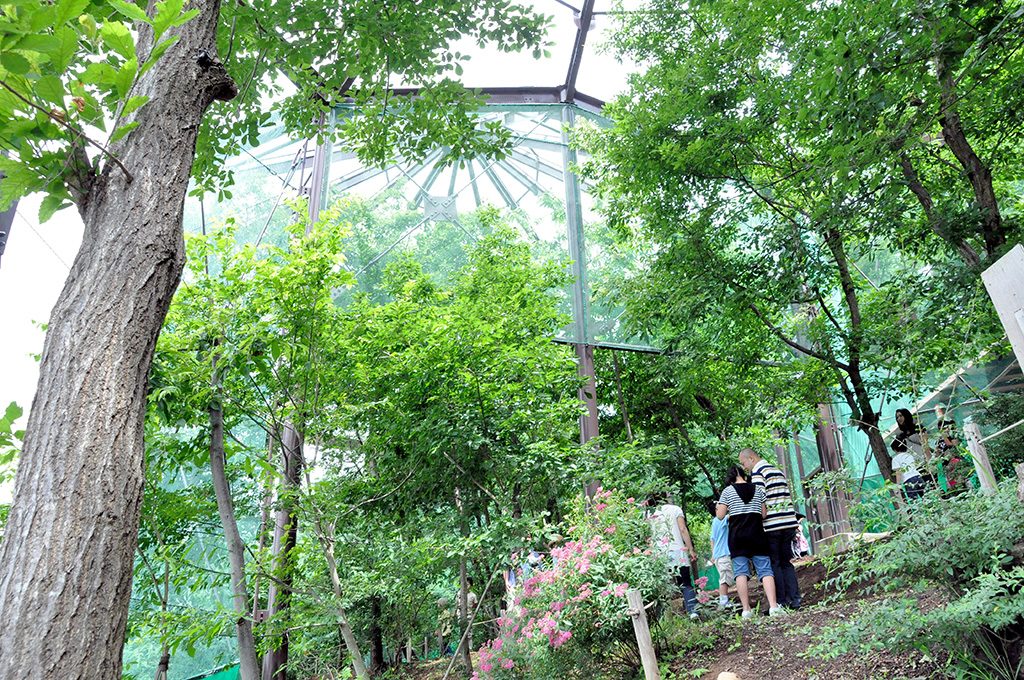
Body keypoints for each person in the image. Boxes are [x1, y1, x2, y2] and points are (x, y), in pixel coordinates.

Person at [716, 466, 784, 618]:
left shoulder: (727, 491)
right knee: (765, 570)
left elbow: (720, 516)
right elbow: (764, 514)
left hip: (737, 538)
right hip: (757, 536)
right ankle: (774, 606)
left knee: (740, 573)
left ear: (731, 477)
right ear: (744, 475)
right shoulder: (758, 490)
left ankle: (746, 610)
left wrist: (721, 507)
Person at [740, 448, 802, 610]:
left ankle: (780, 601)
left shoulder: (758, 474)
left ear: (751, 458)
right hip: (788, 523)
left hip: (772, 525)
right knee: (786, 562)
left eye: (743, 463)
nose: (744, 467)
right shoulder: (777, 471)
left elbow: (760, 501)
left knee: (774, 563)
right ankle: (795, 599)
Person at [648, 492, 700, 619]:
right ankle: (692, 611)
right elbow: (682, 529)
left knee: (664, 586)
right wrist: (691, 549)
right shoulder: (675, 509)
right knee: (686, 582)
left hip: (660, 554)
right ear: (665, 497)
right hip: (678, 551)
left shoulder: (650, 514)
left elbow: (649, 537)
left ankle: (666, 617)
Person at [892, 408, 929, 500]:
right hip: (913, 464)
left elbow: (925, 443)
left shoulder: (917, 427)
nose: (899, 418)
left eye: (901, 416)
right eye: (897, 417)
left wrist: (928, 459)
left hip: (923, 459)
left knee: (929, 486)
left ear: (906, 415)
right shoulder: (900, 433)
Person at [707, 499, 735, 609]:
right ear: (717, 510)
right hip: (723, 554)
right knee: (724, 579)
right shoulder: (720, 519)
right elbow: (732, 515)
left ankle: (724, 599)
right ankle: (723, 601)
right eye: (720, 504)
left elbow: (712, 539)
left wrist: (714, 554)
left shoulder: (715, 522)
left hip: (719, 554)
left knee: (726, 577)